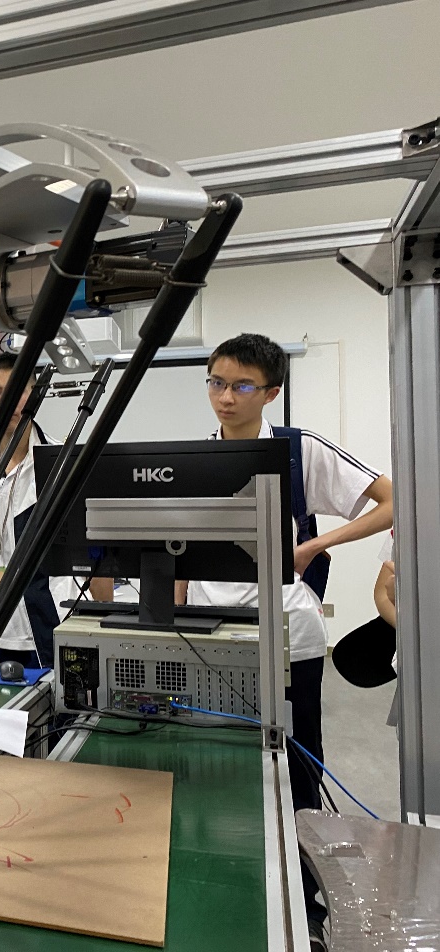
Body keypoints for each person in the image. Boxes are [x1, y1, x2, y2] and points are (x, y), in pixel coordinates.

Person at [179, 333, 392, 945]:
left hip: (290, 634)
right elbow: (179, 544)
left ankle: (305, 906)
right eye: (217, 382)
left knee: (296, 764)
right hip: (209, 634)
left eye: (241, 385)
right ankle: (227, 878)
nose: (225, 396)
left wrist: (315, 545)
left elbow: (391, 500)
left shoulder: (299, 451)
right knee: (215, 758)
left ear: (271, 392)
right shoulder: (194, 457)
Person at [0, 352, 108, 670]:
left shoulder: (63, 463)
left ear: (36, 396)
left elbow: (93, 549)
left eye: (19, 392)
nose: (9, 402)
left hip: (54, 621)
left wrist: (104, 616)